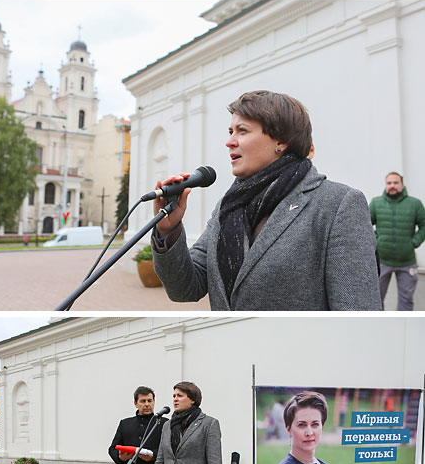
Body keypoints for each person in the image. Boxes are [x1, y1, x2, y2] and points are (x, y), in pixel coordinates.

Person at [151, 90, 381, 310]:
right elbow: (185, 289)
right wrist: (168, 230)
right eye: (230, 131)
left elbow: (357, 310)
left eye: (242, 131)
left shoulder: (338, 204)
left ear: (280, 141)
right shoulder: (228, 206)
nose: (230, 141)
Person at [369, 169, 425, 309]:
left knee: (406, 301)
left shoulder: (415, 204)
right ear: (385, 185)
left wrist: (413, 242)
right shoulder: (376, 203)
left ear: (402, 185)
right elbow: (365, 225)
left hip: (406, 262)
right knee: (375, 299)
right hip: (381, 261)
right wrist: (377, 240)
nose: (392, 185)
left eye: (396, 182)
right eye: (389, 183)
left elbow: (424, 226)